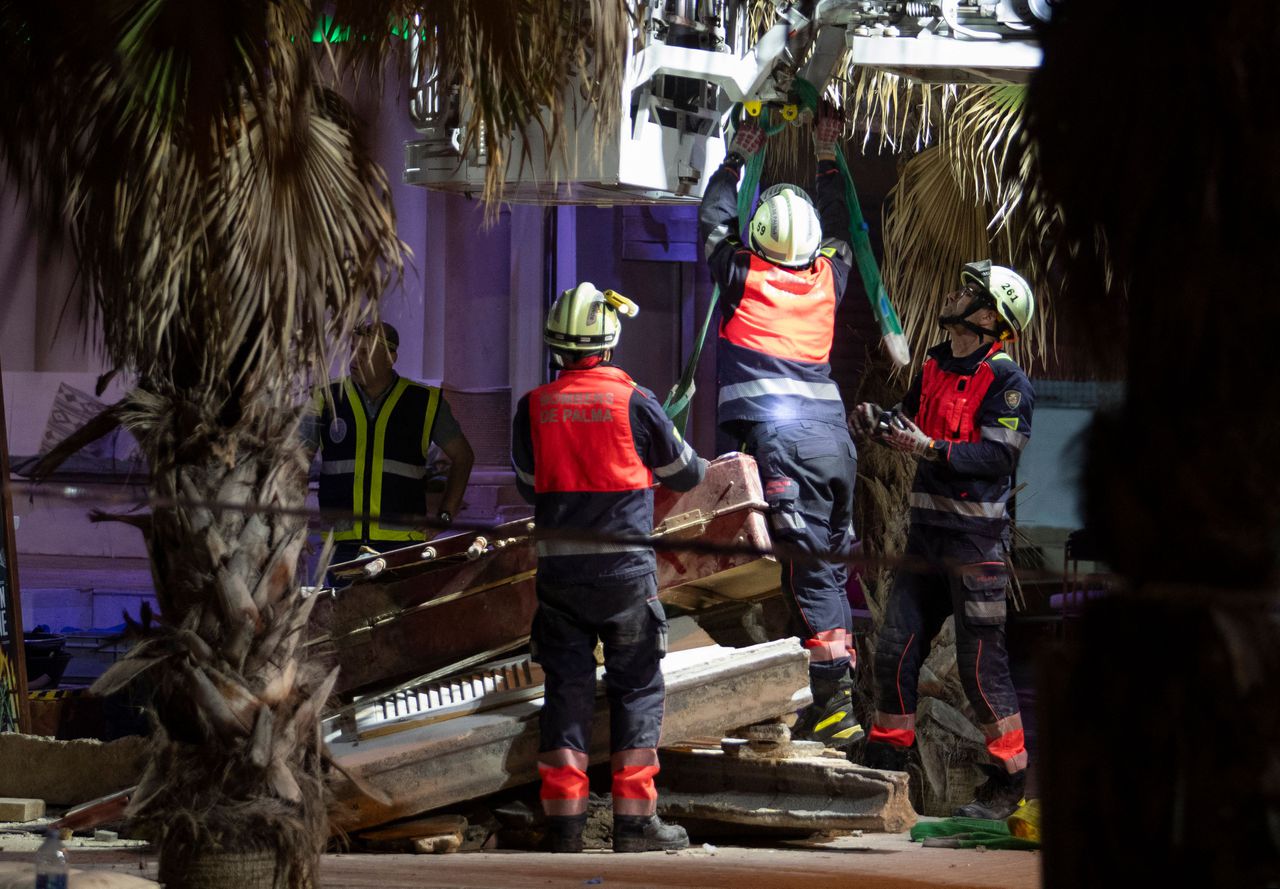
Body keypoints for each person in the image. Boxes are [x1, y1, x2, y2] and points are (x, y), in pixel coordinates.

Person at [511, 282, 708, 854]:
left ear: (556, 345)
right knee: (637, 689)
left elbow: (528, 488)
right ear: (610, 340)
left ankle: (565, 827)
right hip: (624, 576)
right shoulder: (635, 401)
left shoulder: (534, 407)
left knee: (565, 693)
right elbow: (688, 475)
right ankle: (634, 825)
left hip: (558, 581)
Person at [698, 103, 864, 750]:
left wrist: (736, 157)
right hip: (834, 444)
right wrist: (828, 155)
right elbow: (846, 223)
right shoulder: (831, 277)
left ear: (760, 238)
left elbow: (713, 220)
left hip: (784, 446)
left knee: (806, 573)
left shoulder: (742, 277)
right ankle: (820, 693)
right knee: (822, 565)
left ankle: (832, 703)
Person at [852, 260, 1035, 820]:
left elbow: (999, 455)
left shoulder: (1008, 382)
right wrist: (878, 422)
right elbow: (909, 420)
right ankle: (887, 761)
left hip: (974, 548)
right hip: (925, 540)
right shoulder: (933, 362)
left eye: (968, 292)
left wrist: (931, 450)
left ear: (991, 316)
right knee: (895, 650)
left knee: (981, 671)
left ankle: (1009, 782)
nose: (955, 294)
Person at [308, 321, 474, 568]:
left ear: (390, 358)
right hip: (341, 543)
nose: (355, 359)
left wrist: (445, 516)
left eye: (365, 352)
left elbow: (463, 456)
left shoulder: (423, 402)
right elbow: (296, 461)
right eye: (352, 349)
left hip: (403, 542)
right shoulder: (326, 398)